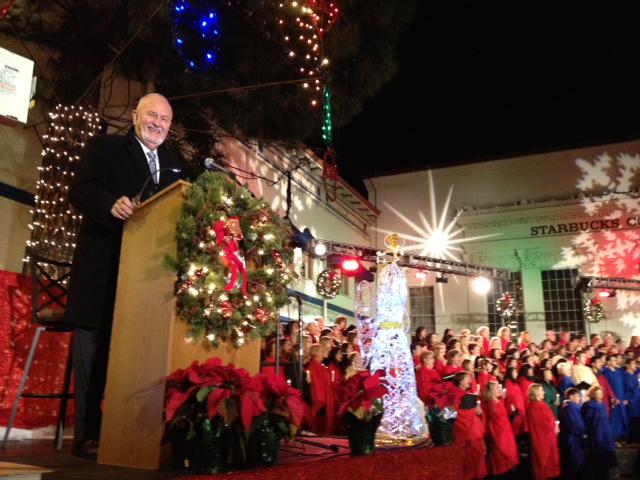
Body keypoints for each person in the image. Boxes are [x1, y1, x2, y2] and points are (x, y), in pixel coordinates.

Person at [65, 93, 181, 459]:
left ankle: (129, 431)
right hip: (103, 268)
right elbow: (80, 191)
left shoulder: (174, 163)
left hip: (147, 280)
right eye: (152, 115)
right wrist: (109, 204)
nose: (158, 123)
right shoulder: (106, 147)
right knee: (94, 352)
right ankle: (87, 433)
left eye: (165, 119)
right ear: (135, 116)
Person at [450, 372, 487, 480]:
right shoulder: (454, 396)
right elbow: (455, 414)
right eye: (467, 379)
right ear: (460, 382)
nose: (470, 381)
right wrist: (473, 411)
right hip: (466, 433)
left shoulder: (468, 395)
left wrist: (478, 411)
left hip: (474, 430)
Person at [482, 381, 519, 476]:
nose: (499, 389)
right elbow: (499, 418)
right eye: (497, 388)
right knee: (503, 455)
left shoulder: (497, 401)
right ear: (491, 391)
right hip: (499, 434)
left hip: (505, 432)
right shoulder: (492, 404)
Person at [581, 385, 617, 479]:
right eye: (598, 394)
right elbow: (587, 419)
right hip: (596, 433)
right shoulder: (589, 405)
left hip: (605, 433)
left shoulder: (602, 405)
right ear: (593, 394)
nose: (600, 396)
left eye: (601, 394)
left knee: (606, 455)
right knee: (598, 455)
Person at [526, 384, 561, 480]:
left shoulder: (530, 407)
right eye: (542, 390)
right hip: (546, 440)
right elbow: (548, 424)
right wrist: (555, 426)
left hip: (537, 440)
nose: (544, 392)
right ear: (536, 393)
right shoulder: (541, 407)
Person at [558, 387, 587, 476]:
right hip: (572, 439)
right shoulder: (570, 408)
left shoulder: (568, 407)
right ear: (571, 397)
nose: (580, 398)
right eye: (578, 395)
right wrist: (583, 430)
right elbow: (576, 425)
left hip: (571, 438)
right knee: (575, 463)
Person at [601, 354, 629, 439]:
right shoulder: (606, 372)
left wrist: (625, 398)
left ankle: (622, 435)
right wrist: (613, 398)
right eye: (613, 360)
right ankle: (614, 436)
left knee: (622, 416)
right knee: (614, 418)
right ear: (608, 362)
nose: (615, 362)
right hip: (613, 398)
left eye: (615, 360)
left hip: (621, 397)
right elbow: (607, 387)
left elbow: (624, 386)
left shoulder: (619, 372)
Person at [307, 344, 334, 435]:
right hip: (320, 397)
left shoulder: (320, 366)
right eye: (321, 351)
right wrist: (321, 399)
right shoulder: (313, 366)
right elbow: (316, 383)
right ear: (315, 353)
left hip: (325, 395)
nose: (323, 353)